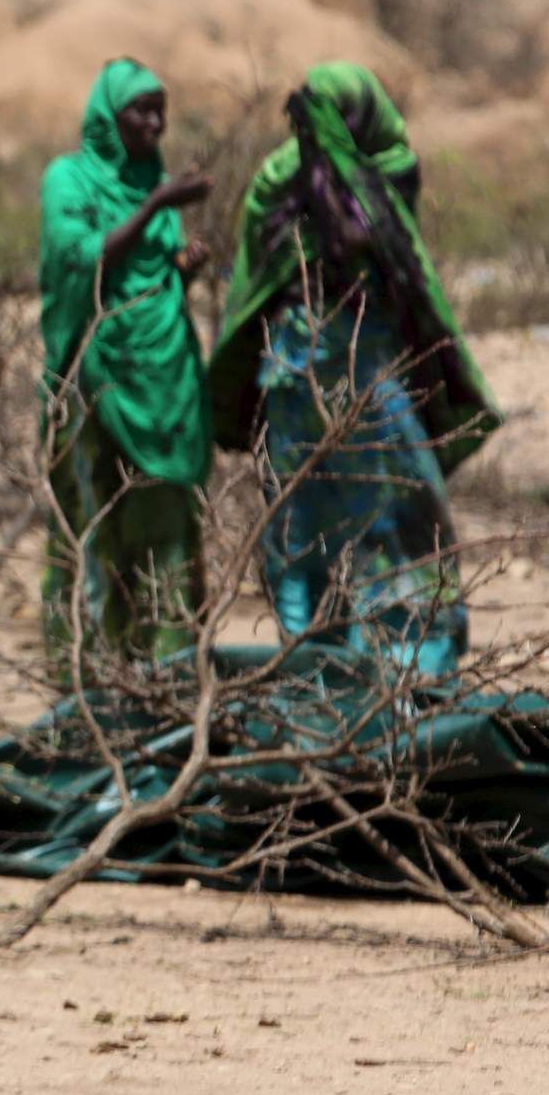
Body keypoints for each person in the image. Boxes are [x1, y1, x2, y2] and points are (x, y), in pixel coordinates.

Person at [208, 62, 502, 676]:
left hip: (289, 374)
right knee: (401, 513)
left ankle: (314, 657)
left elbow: (255, 283)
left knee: (302, 519)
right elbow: (404, 279)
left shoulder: (278, 178)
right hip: (358, 373)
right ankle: (415, 664)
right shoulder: (379, 179)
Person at [38, 57, 215, 675]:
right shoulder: (69, 180)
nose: (155, 124)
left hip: (160, 381)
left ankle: (163, 673)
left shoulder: (151, 184)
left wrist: (180, 274)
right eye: (142, 110)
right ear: (108, 119)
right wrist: (160, 203)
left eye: (160, 110)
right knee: (94, 523)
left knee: (163, 525)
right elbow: (83, 258)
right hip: (95, 379)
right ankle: (87, 681)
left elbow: (144, 284)